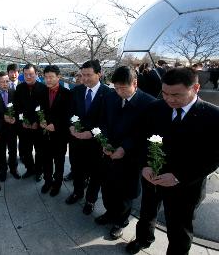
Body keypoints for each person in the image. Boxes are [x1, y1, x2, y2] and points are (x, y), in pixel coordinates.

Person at [126, 68, 219, 255]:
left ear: (196, 88)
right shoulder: (154, 108)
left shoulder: (213, 116)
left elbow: (213, 157)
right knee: (146, 214)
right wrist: (144, 165)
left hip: (185, 186)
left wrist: (179, 177)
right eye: (165, 93)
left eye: (176, 94)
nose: (169, 99)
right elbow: (140, 139)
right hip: (152, 178)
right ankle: (143, 239)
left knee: (179, 228)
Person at [97, 66, 155, 239]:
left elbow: (144, 133)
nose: (119, 91)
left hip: (130, 157)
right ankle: (109, 213)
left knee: (125, 192)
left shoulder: (149, 103)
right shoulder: (109, 96)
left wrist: (125, 148)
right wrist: (104, 141)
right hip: (109, 152)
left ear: (135, 83)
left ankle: (120, 221)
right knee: (107, 187)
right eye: (116, 87)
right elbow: (103, 121)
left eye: (123, 88)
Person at [65, 60, 111, 216]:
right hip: (77, 141)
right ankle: (77, 193)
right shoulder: (76, 91)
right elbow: (70, 112)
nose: (84, 78)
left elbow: (107, 122)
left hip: (96, 144)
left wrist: (91, 133)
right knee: (77, 169)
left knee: (95, 174)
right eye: (82, 75)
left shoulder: (109, 94)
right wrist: (71, 125)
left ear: (99, 74)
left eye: (88, 75)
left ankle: (90, 200)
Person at [39, 65, 71, 196]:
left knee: (59, 161)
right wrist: (40, 120)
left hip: (60, 135)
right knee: (46, 160)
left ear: (59, 77)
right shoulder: (41, 92)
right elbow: (38, 110)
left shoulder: (67, 93)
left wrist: (56, 125)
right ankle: (47, 182)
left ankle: (57, 184)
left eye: (51, 77)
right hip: (44, 134)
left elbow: (69, 115)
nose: (48, 80)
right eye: (46, 77)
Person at [14, 63, 48, 182]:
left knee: (40, 151)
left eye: (31, 74)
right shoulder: (20, 88)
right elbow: (17, 107)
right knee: (25, 150)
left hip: (38, 127)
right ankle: (30, 169)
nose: (28, 77)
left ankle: (39, 171)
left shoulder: (43, 88)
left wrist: (37, 122)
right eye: (26, 74)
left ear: (36, 74)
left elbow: (45, 108)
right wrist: (22, 121)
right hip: (24, 126)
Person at [0, 71, 20, 180]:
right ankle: (3, 171)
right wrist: (2, 118)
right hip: (0, 129)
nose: (5, 84)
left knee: (13, 150)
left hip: (12, 128)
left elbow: (19, 109)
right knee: (1, 151)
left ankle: (13, 169)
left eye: (7, 81)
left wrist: (15, 119)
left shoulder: (14, 92)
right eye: (3, 82)